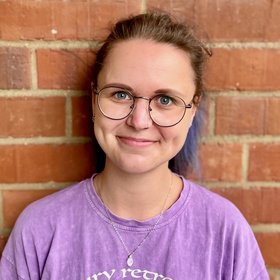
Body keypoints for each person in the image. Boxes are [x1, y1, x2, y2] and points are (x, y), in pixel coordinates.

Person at [0, 11, 269, 280]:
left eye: (165, 100)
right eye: (120, 94)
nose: (139, 121)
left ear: (192, 110)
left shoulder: (224, 231)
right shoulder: (40, 229)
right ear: (95, 100)